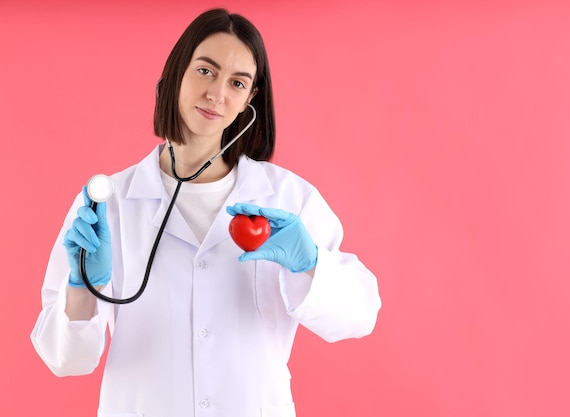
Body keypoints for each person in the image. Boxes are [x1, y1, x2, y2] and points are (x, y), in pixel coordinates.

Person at [31, 8, 381, 417]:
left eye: (237, 82)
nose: (217, 94)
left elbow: (361, 316)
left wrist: (311, 265)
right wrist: (82, 287)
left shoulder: (288, 197)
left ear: (250, 100)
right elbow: (65, 360)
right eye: (205, 71)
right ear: (178, 72)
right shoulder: (108, 203)